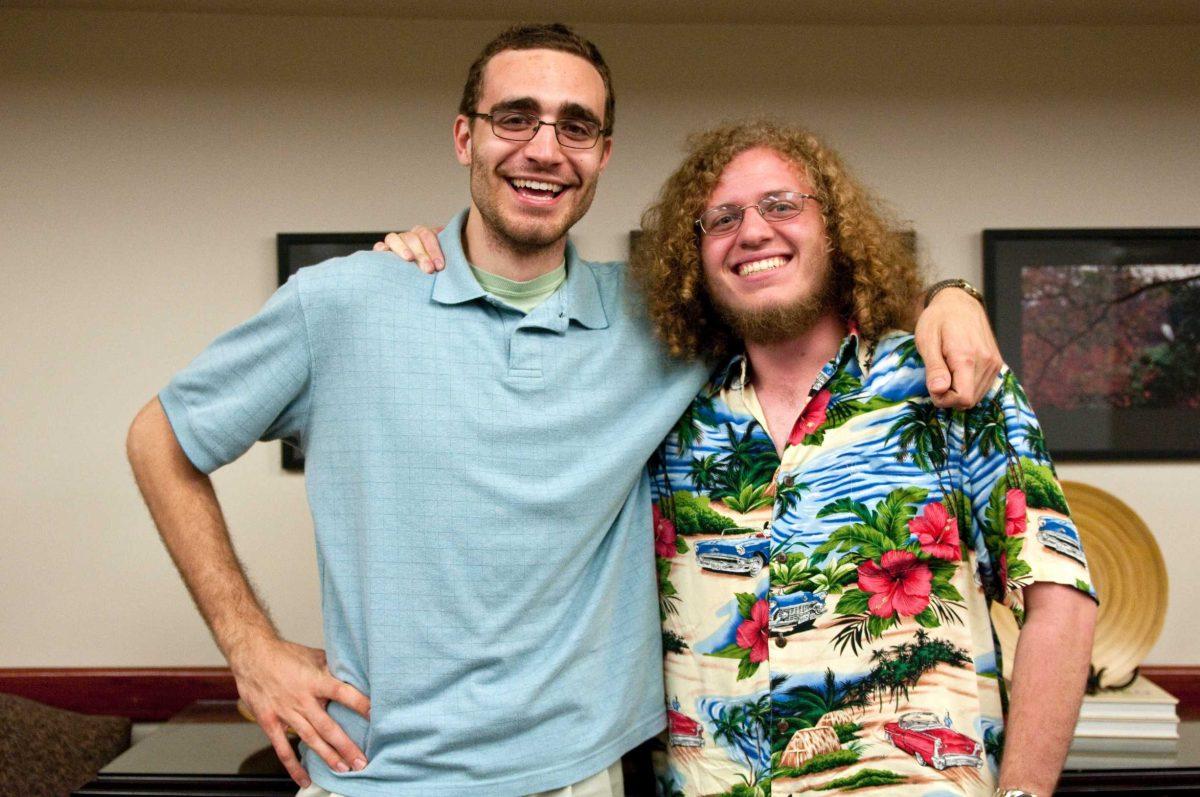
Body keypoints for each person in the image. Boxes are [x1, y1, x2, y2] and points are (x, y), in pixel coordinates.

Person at [125, 23, 999, 797]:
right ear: (465, 136)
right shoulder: (344, 304)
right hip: (377, 775)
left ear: (602, 155)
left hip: (585, 773)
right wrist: (250, 648)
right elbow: (159, 440)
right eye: (516, 118)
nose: (545, 147)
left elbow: (789, 283)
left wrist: (948, 296)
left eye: (575, 126)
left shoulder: (661, 322)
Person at [627, 119, 1097, 797]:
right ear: (694, 255)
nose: (752, 231)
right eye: (721, 217)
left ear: (836, 230)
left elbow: (1060, 600)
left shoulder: (946, 380)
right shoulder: (670, 417)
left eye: (782, 204)